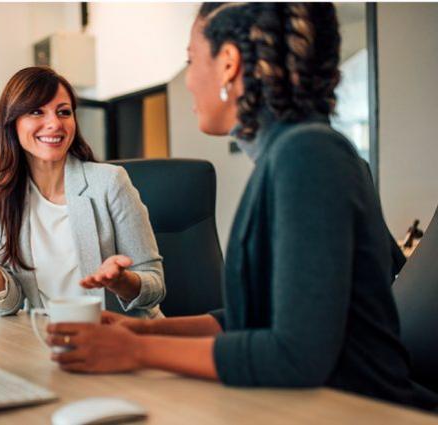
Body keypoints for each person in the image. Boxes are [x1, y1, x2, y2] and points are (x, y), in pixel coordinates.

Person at [47, 2, 438, 411]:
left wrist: (134, 353)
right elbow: (252, 319)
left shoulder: (307, 157)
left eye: (191, 61)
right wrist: (139, 333)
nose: (189, 81)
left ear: (229, 64)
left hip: (362, 413)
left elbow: (295, 355)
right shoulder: (292, 153)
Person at [0, 67, 165, 318]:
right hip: (43, 338)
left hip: (117, 337)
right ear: (12, 122)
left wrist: (120, 282)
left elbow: (155, 286)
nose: (55, 123)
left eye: (64, 112)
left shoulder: (109, 182)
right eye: (37, 111)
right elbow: (7, 304)